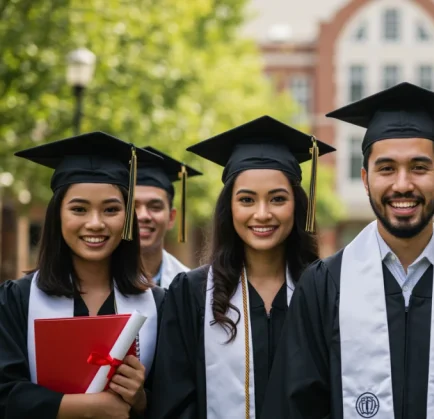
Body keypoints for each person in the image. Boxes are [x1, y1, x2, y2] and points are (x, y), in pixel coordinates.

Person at [263, 82, 434, 419]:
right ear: (365, 178)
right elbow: (295, 407)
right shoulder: (324, 284)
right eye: (386, 169)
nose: (403, 184)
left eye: (419, 168)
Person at [147, 116, 334, 418]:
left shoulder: (325, 291)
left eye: (277, 199)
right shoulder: (191, 295)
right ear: (229, 208)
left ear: (297, 207)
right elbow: (174, 402)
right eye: (247, 200)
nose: (262, 214)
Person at [0, 132, 165, 419]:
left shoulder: (160, 305)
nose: (95, 223)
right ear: (58, 216)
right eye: (79, 209)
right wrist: (82, 408)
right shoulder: (16, 299)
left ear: (127, 219)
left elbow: (177, 397)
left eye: (111, 209)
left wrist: (140, 399)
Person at [135, 146, 202, 288]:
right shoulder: (96, 281)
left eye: (155, 207)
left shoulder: (190, 285)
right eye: (133, 207)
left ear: (171, 218)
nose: (143, 216)